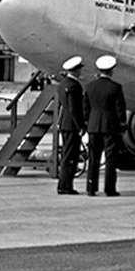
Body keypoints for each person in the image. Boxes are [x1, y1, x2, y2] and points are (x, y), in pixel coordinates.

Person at [83, 55, 125, 197]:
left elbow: (86, 109)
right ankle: (109, 189)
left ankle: (91, 188)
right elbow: (120, 109)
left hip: (94, 126)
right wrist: (122, 125)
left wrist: (88, 122)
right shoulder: (115, 87)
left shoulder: (89, 87)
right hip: (110, 126)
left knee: (93, 158)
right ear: (111, 71)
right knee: (110, 158)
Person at [54, 56, 85, 195]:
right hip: (72, 125)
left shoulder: (62, 84)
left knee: (66, 154)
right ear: (76, 70)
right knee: (70, 156)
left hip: (64, 122)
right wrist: (81, 126)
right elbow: (74, 109)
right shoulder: (74, 86)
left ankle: (63, 184)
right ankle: (66, 185)